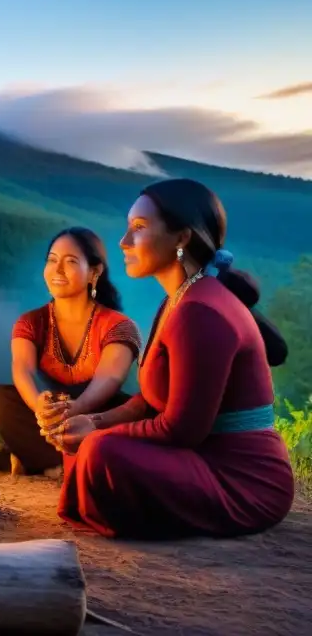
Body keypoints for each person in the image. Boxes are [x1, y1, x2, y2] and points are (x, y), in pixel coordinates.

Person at [52, 178, 294, 539]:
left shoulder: (201, 311)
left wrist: (100, 432)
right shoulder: (179, 300)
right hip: (201, 459)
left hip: (243, 482)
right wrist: (95, 419)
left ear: (182, 238)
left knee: (102, 452)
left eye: (139, 228)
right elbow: (153, 401)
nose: (123, 242)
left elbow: (182, 429)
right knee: (87, 442)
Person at [0, 227, 142, 476]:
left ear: (94, 272)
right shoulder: (30, 322)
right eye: (52, 260)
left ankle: (53, 461)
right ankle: (64, 464)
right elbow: (22, 368)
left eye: (70, 262)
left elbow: (109, 378)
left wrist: (77, 409)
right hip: (50, 416)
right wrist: (40, 408)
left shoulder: (119, 326)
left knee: (139, 411)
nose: (57, 270)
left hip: (97, 414)